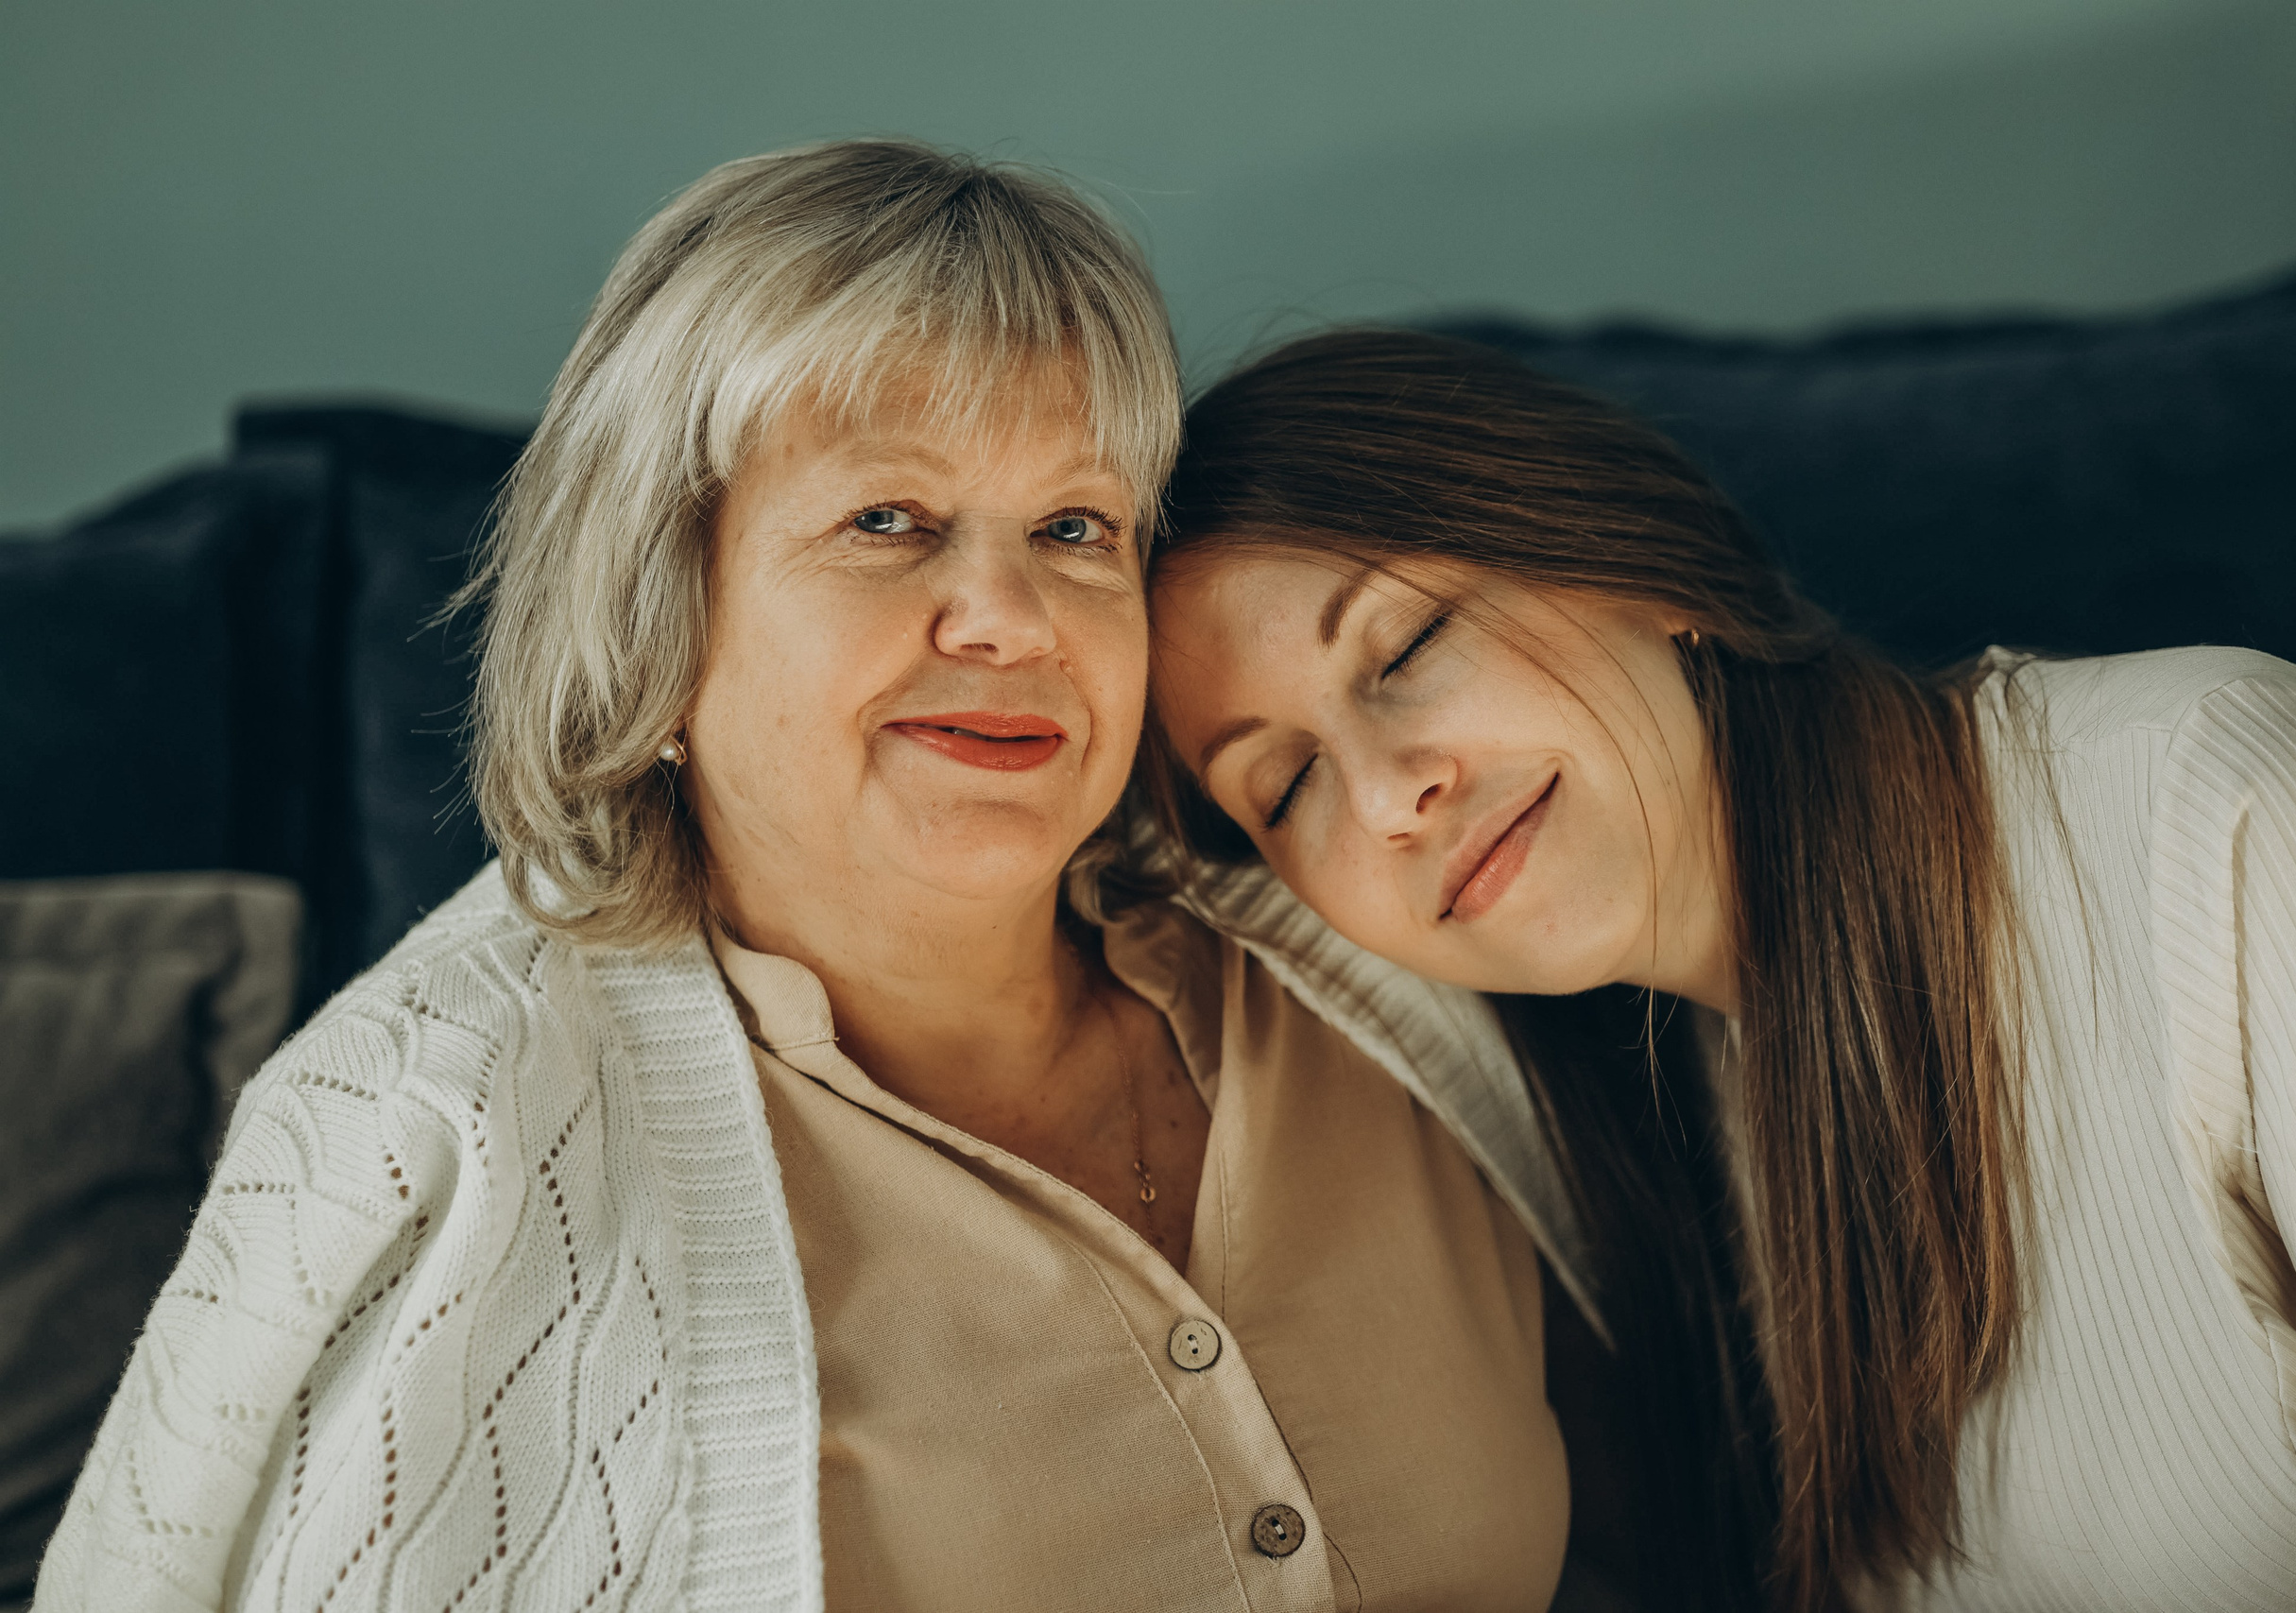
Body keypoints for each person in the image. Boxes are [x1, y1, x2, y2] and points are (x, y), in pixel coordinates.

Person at [35, 149, 1577, 1613]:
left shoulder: (1373, 948)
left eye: (1073, 526)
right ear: (659, 611)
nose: (1008, 615)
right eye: (887, 522)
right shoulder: (432, 1126)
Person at [1144, 327, 2296, 1613]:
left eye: (1407, 647)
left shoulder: (2235, 817)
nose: (1386, 799)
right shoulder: (1673, 1124)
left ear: (1635, 557)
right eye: (1287, 783)